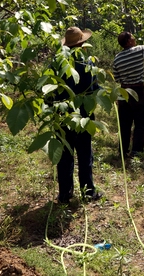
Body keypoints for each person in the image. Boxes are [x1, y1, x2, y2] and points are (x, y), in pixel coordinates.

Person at [53, 26, 102, 204]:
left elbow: (49, 92)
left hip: (61, 117)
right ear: (81, 43)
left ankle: (65, 195)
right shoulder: (87, 63)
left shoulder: (56, 62)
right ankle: (88, 192)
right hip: (83, 117)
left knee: (64, 156)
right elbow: (94, 90)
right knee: (84, 154)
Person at [113, 27, 144, 158]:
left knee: (124, 122)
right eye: (132, 37)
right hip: (137, 89)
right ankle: (136, 151)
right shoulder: (138, 51)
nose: (134, 39)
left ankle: (122, 151)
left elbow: (117, 78)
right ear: (128, 42)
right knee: (141, 121)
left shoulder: (117, 58)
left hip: (123, 90)